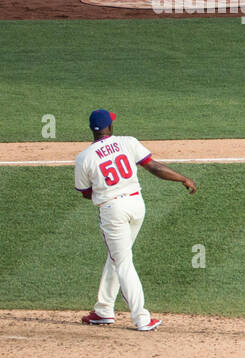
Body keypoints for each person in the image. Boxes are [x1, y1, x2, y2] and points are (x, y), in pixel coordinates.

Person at [75, 109, 196, 333]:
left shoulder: (84, 157)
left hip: (113, 210)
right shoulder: (127, 142)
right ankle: (103, 310)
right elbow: (154, 167)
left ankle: (141, 318)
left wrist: (107, 193)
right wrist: (183, 178)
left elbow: (84, 191)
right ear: (109, 128)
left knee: (122, 261)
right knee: (118, 256)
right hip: (136, 206)